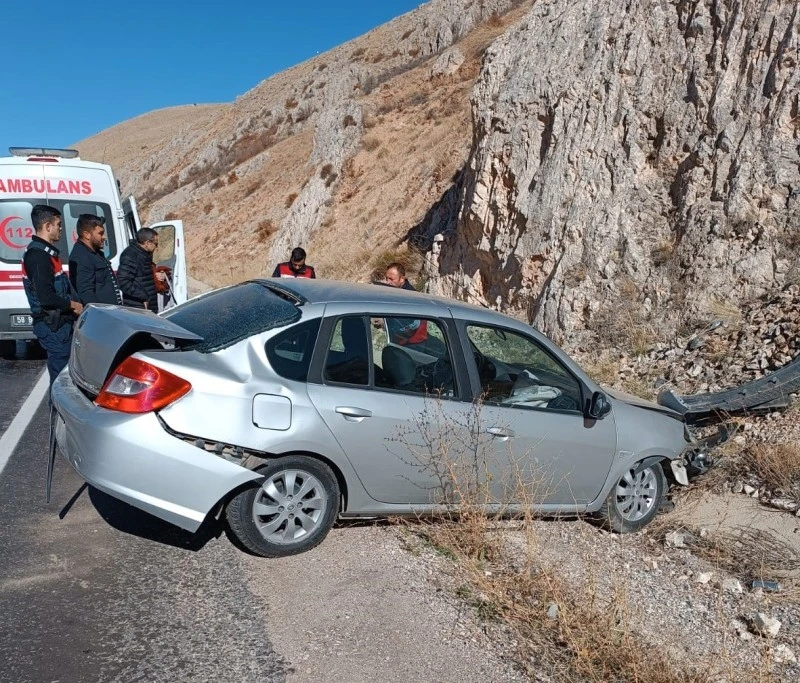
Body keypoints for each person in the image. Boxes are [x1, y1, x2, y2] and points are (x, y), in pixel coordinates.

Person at [21, 205, 83, 384]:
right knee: (61, 382)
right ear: (48, 226)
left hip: (60, 325)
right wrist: (73, 305)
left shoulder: (48, 253)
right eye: (59, 224)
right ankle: (56, 412)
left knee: (67, 377)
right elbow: (45, 297)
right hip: (53, 327)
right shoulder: (38, 256)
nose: (61, 229)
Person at [379, 262, 446, 357]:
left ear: (402, 279)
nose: (388, 282)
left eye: (391, 279)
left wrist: (385, 323)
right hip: (403, 342)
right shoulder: (395, 293)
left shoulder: (410, 297)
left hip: (413, 345)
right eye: (386, 278)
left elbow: (413, 325)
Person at [68, 214, 123, 305]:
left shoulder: (94, 252)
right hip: (102, 315)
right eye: (100, 233)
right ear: (87, 235)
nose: (104, 237)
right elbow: (86, 293)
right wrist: (99, 314)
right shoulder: (81, 256)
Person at [118, 227, 164, 311]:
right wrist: (143, 297)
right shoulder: (130, 255)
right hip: (138, 306)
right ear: (147, 243)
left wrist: (156, 276)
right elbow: (123, 281)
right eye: (155, 244)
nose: (156, 247)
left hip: (148, 304)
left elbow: (144, 275)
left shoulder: (144, 254)